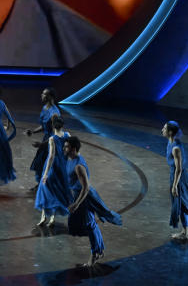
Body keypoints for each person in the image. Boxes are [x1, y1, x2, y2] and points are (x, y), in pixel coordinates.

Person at [64, 136, 122, 268]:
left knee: (89, 225)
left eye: (66, 147)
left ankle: (96, 253)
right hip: (78, 195)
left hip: (84, 197)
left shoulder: (78, 166)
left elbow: (86, 187)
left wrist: (76, 203)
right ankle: (98, 250)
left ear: (73, 149)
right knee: (80, 225)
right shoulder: (71, 159)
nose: (64, 148)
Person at [163, 120, 188, 241]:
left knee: (180, 204)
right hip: (175, 175)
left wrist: (175, 185)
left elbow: (178, 169)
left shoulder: (175, 148)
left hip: (179, 178)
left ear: (170, 132)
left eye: (164, 128)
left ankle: (185, 232)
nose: (162, 130)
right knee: (184, 203)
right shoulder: (171, 142)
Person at [34, 114, 74, 228]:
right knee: (56, 190)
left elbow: (51, 156)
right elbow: (71, 151)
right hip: (63, 165)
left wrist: (46, 173)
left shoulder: (52, 139)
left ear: (53, 126)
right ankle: (50, 217)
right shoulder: (67, 135)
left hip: (53, 165)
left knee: (44, 188)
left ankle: (44, 216)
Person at [26, 88, 63, 186]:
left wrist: (41, 144)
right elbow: (44, 126)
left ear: (50, 97)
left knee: (48, 163)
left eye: (44, 94)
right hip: (46, 138)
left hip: (52, 141)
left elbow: (56, 134)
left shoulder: (54, 113)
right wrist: (33, 131)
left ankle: (46, 186)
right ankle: (41, 185)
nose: (41, 95)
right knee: (40, 162)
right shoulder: (45, 108)